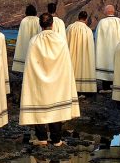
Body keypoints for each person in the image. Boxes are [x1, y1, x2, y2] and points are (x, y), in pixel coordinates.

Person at [19, 12, 80, 146]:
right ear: (52, 24)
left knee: (39, 106)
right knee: (56, 108)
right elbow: (65, 63)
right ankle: (57, 140)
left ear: (40, 25)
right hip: (57, 80)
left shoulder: (34, 40)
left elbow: (30, 65)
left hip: (39, 81)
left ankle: (41, 138)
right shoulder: (60, 40)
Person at [94, 4, 120, 92]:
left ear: (106, 11)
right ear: (113, 11)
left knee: (105, 64)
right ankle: (114, 85)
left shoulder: (102, 22)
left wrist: (99, 48)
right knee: (115, 65)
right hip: (116, 47)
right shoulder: (118, 21)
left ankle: (106, 86)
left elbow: (98, 37)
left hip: (105, 50)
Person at [66, 11, 96, 95]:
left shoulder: (69, 28)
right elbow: (90, 49)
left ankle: (70, 86)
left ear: (78, 17)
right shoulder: (88, 30)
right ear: (86, 19)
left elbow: (66, 41)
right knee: (82, 67)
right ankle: (83, 87)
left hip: (71, 54)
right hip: (83, 57)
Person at [11, 4, 41, 73]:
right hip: (35, 46)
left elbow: (21, 37)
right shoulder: (38, 20)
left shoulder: (24, 21)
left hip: (25, 46)